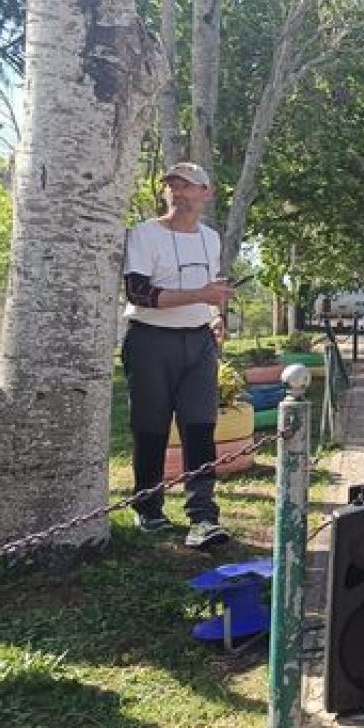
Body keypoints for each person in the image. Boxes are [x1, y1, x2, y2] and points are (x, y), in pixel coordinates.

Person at [122, 162, 234, 549]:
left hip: (199, 342)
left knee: (200, 426)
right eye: (172, 185)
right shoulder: (144, 234)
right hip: (151, 340)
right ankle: (149, 508)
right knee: (150, 426)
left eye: (188, 186)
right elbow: (138, 292)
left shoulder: (211, 238)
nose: (178, 193)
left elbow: (212, 287)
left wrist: (216, 314)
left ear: (207, 193)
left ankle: (203, 516)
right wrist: (200, 297)